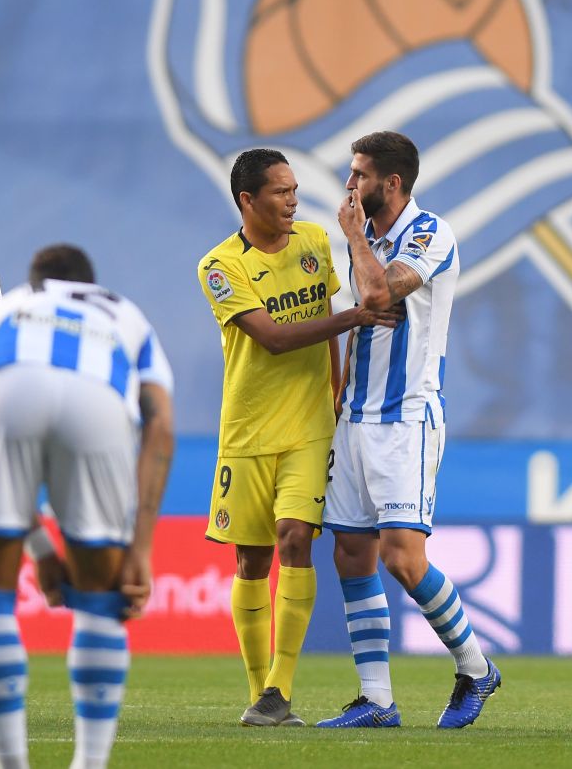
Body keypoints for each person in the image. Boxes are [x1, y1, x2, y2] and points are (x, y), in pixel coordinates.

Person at [0, 244, 175, 769]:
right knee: (101, 594)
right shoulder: (122, 309)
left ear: (35, 282)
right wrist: (140, 548)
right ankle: (90, 764)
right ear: (88, 283)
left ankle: (11, 763)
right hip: (95, 399)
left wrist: (40, 551)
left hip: (4, 390)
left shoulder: (1, 311)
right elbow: (160, 424)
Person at [196, 148, 399, 727]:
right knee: (251, 560)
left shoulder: (312, 242)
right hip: (246, 431)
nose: (293, 201)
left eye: (293, 190)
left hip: (310, 428)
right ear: (247, 200)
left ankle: (280, 687)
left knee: (294, 540)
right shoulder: (219, 266)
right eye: (281, 192)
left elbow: (324, 327)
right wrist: (355, 318)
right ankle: (261, 691)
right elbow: (274, 338)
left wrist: (335, 392)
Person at [316, 130, 500, 731]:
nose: (350, 185)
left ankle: (476, 668)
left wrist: (356, 244)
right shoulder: (366, 238)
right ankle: (376, 699)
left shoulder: (430, 234)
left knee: (403, 560)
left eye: (360, 175)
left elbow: (375, 291)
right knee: (351, 552)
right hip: (356, 418)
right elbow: (365, 312)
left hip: (407, 416)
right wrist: (342, 385)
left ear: (391, 183)